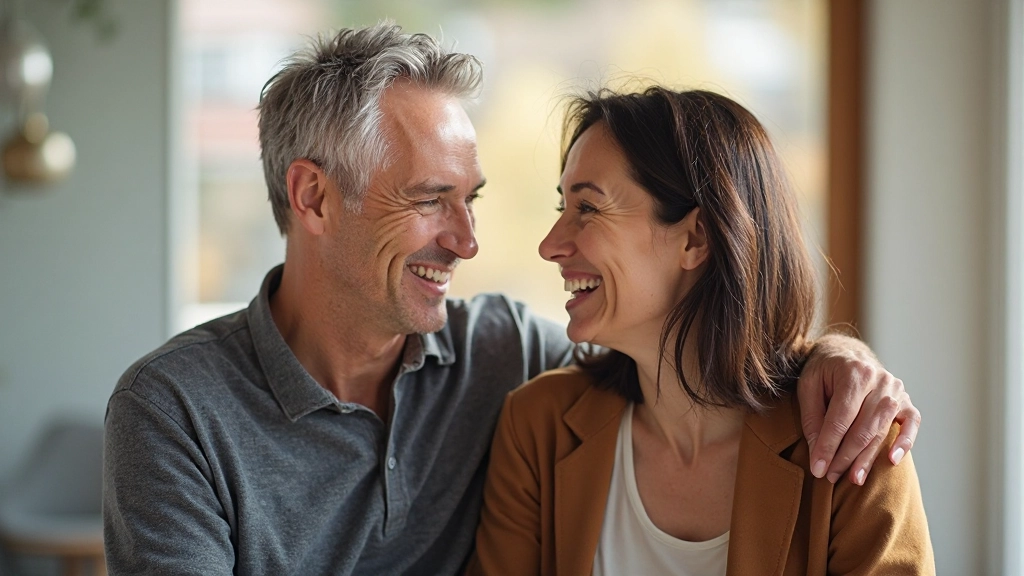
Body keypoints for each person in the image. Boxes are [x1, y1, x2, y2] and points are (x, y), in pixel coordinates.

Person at [103, 24, 922, 575]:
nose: (468, 242)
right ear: (313, 198)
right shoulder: (173, 410)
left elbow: (706, 363)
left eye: (473, 201)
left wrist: (838, 357)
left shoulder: (507, 358)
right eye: (429, 200)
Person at [468, 88, 934, 575]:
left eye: (587, 208)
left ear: (696, 238)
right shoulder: (538, 427)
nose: (550, 245)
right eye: (561, 207)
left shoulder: (856, 443)